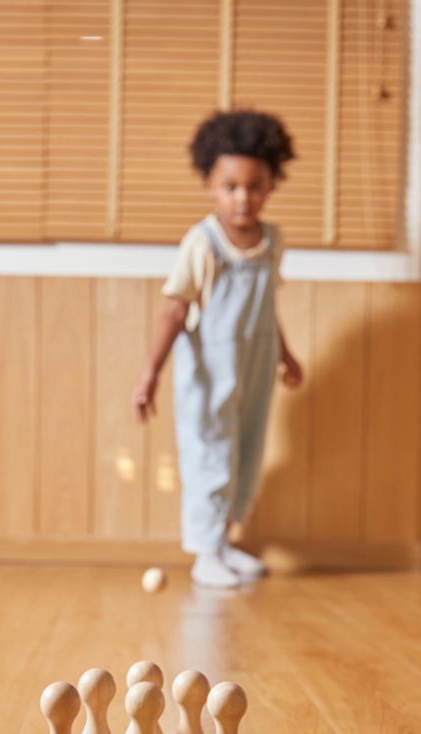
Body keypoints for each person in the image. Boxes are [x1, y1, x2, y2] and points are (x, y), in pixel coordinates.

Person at [132, 109, 304, 588]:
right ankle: (205, 552)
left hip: (255, 365)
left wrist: (286, 357)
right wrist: (150, 373)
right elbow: (173, 310)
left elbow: (266, 305)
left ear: (271, 184)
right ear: (210, 182)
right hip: (210, 370)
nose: (243, 197)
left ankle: (225, 543)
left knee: (244, 455)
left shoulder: (272, 242)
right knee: (211, 454)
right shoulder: (202, 243)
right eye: (230, 186)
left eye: (255, 185)